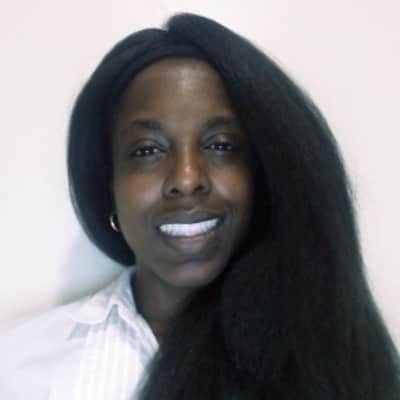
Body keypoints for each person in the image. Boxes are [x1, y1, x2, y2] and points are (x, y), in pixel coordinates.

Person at [1, 12, 399, 400]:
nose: (188, 178)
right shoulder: (17, 367)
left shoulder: (336, 364)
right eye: (147, 150)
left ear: (262, 173)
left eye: (221, 145)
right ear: (109, 183)